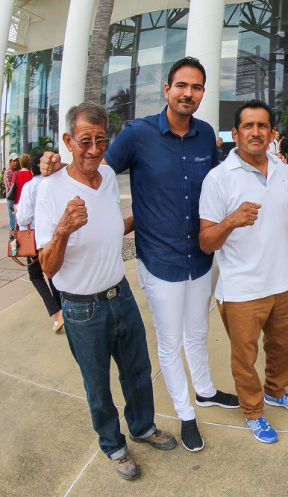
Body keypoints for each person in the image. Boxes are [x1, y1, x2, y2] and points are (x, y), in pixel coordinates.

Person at [41, 57, 239, 452]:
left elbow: (220, 183)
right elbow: (94, 165)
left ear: (203, 93)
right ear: (167, 89)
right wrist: (56, 164)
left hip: (200, 257)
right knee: (169, 341)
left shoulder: (204, 135)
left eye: (196, 87)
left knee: (197, 332)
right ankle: (186, 414)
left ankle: (204, 390)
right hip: (159, 261)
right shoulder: (137, 134)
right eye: (181, 85)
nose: (188, 93)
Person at [35, 102, 176, 481]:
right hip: (82, 309)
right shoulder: (50, 188)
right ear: (68, 141)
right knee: (97, 384)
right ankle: (113, 445)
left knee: (138, 370)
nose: (94, 149)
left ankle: (143, 427)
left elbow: (110, 227)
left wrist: (147, 216)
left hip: (120, 294)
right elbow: (47, 266)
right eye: (85, 141)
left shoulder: (109, 175)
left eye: (101, 140)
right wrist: (63, 230)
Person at [199, 100, 288, 445]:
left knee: (283, 349)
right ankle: (253, 411)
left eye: (263, 126)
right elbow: (206, 242)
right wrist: (231, 221)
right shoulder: (218, 179)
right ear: (236, 133)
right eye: (248, 126)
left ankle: (276, 391)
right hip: (241, 289)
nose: (256, 132)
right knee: (244, 359)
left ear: (272, 133)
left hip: (282, 282)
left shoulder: (281, 169)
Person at [14, 152, 64, 333]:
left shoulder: (30, 186)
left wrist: (17, 212)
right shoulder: (55, 183)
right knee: (53, 272)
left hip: (34, 237)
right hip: (54, 235)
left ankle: (57, 313)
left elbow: (23, 217)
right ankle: (64, 309)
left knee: (35, 275)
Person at [4, 152, 19, 230]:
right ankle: (12, 236)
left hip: (16, 197)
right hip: (11, 198)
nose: (16, 162)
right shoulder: (8, 172)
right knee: (13, 221)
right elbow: (9, 186)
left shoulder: (16, 171)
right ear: (10, 162)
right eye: (14, 160)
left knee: (17, 220)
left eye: (17, 160)